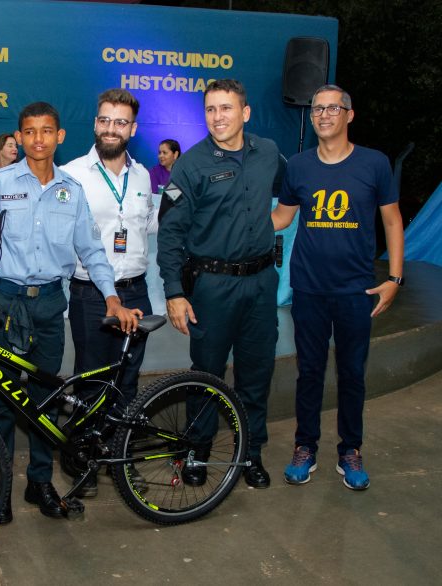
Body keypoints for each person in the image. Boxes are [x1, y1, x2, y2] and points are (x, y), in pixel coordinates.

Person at [0, 102, 139, 524]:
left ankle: (40, 482)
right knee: (0, 401)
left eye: (46, 131)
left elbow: (90, 248)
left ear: (59, 136)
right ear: (19, 137)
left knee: (44, 401)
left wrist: (111, 296)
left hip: (50, 303)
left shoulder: (72, 189)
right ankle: (1, 492)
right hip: (5, 302)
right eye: (29, 132)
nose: (38, 139)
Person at [273, 85, 404, 491]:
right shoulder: (297, 166)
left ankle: (350, 451)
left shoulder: (375, 163)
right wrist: (231, 229)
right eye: (317, 109)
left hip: (355, 292)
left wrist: (395, 280)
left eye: (333, 108)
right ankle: (305, 447)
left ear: (349, 115)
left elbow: (393, 221)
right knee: (309, 372)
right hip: (308, 290)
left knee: (352, 374)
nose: (323, 114)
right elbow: (280, 217)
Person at [157, 79, 285, 489]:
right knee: (207, 374)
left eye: (226, 108)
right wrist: (174, 293)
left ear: (244, 113)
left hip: (262, 284)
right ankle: (196, 451)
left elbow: (290, 193)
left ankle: (251, 454)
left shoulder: (267, 153)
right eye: (211, 109)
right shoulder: (191, 164)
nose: (218, 117)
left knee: (256, 374)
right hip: (212, 287)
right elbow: (170, 234)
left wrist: (276, 221)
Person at [60, 88, 154, 498]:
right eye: (104, 120)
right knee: (91, 383)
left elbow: (145, 228)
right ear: (95, 124)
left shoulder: (144, 176)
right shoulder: (71, 173)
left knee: (127, 384)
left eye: (119, 122)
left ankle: (120, 457)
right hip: (90, 295)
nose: (110, 128)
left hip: (137, 291)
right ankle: (83, 461)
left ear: (132, 128)